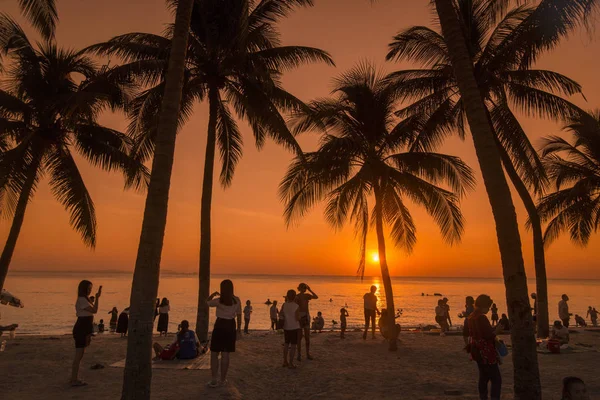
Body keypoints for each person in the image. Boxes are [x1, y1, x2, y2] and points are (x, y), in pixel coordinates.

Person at [463, 294, 503, 400]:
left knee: (483, 376)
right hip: (486, 351)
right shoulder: (482, 317)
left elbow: (473, 332)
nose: (489, 309)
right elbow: (488, 335)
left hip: (476, 350)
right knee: (496, 379)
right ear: (483, 305)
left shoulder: (471, 317)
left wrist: (492, 329)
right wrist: (497, 331)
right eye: (488, 307)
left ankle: (483, 397)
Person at [207, 279, 242, 388]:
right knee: (225, 354)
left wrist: (213, 294)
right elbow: (239, 315)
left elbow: (207, 302)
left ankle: (214, 379)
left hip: (220, 325)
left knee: (214, 353)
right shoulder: (236, 300)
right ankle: (222, 380)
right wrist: (239, 329)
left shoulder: (218, 300)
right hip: (230, 325)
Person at [71, 280, 101, 387]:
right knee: (78, 355)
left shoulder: (85, 299)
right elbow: (94, 310)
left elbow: (92, 312)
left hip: (85, 328)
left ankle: (75, 378)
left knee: (81, 354)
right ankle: (73, 379)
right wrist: (97, 298)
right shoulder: (82, 300)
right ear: (83, 289)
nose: (90, 291)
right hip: (81, 329)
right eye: (88, 289)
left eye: (90, 289)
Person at [296, 282, 318, 361]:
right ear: (300, 288)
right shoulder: (297, 296)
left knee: (307, 337)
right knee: (299, 337)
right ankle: (299, 354)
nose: (304, 289)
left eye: (305, 288)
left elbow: (316, 297)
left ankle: (307, 354)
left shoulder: (306, 296)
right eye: (303, 288)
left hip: (305, 316)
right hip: (301, 316)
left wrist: (310, 289)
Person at [281, 289, 300, 369]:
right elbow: (297, 318)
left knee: (286, 344)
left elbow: (281, 314)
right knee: (293, 346)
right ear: (295, 296)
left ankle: (285, 361)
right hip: (294, 327)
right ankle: (291, 363)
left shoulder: (284, 305)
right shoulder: (296, 306)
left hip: (286, 327)